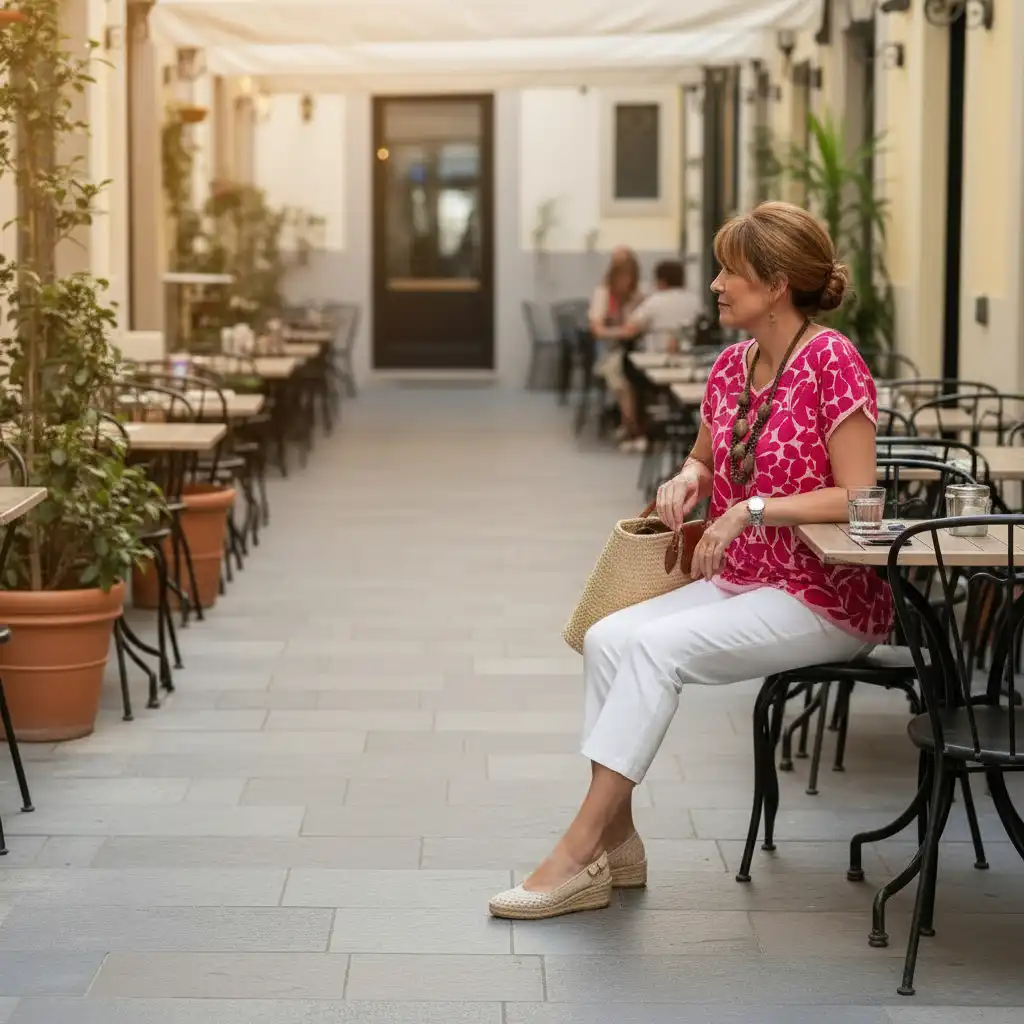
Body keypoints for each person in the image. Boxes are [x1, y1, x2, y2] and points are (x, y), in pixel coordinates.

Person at [489, 200, 894, 920]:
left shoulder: (832, 360)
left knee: (655, 652)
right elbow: (705, 458)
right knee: (611, 636)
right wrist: (689, 478)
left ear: (774, 286)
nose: (714, 283)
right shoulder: (733, 365)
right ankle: (622, 845)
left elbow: (863, 499)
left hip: (825, 595)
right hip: (743, 579)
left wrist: (755, 507)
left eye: (729, 271)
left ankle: (576, 853)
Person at [589, 248, 646, 448]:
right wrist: (623, 332)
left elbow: (641, 322)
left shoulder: (639, 293)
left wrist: (626, 330)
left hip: (636, 349)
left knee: (638, 377)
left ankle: (632, 425)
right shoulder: (603, 293)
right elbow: (597, 329)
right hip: (611, 350)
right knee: (620, 378)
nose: (626, 282)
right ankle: (631, 428)